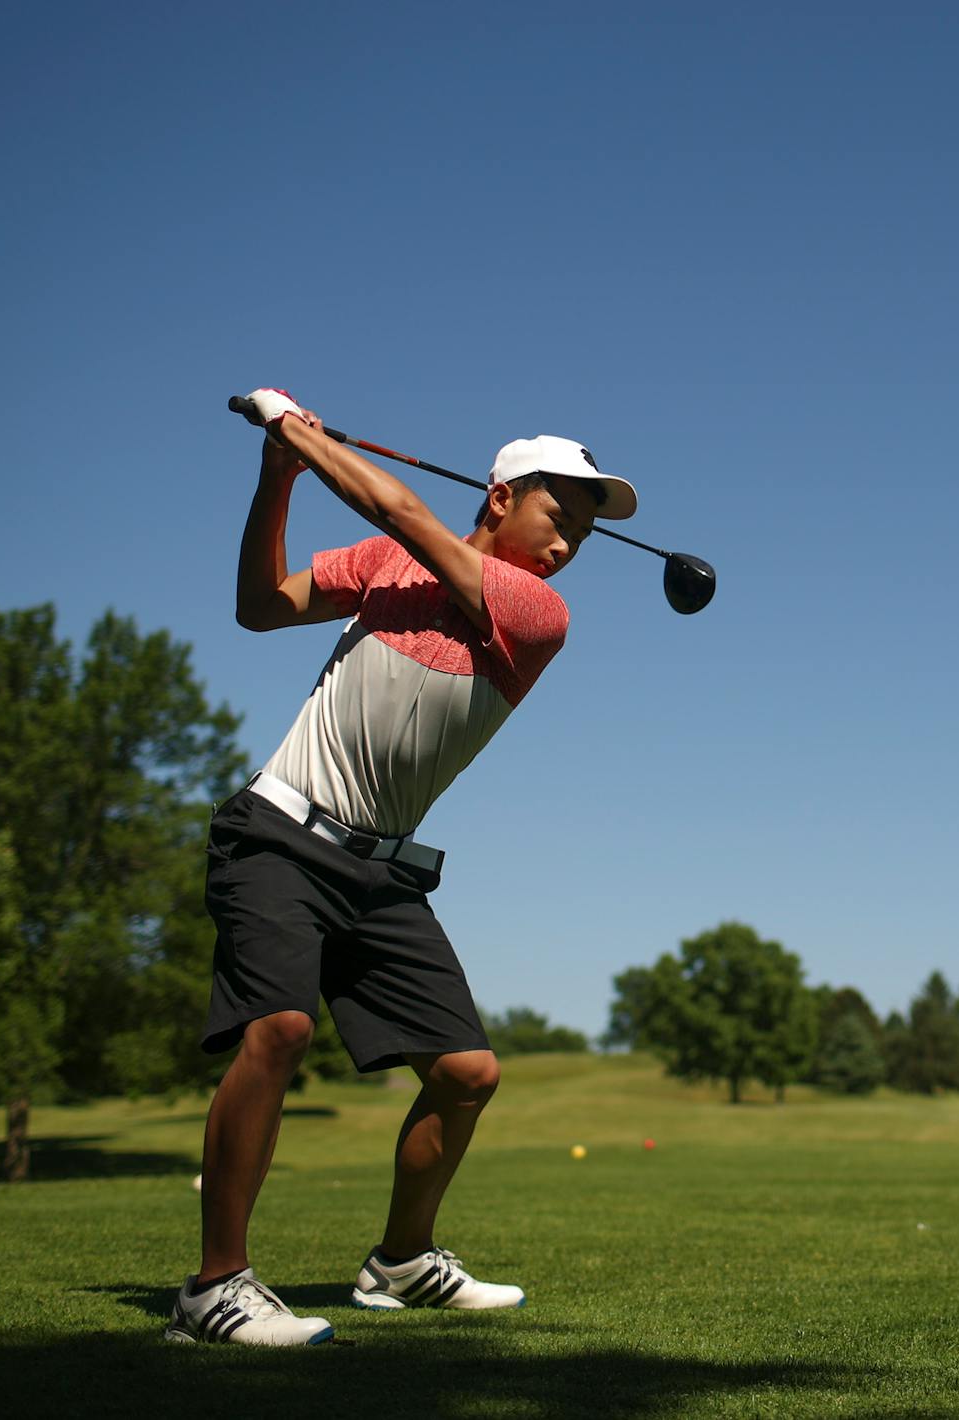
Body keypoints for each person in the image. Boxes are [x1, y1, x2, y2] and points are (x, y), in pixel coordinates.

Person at [165, 388, 638, 1346]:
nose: (566, 547)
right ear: (503, 495)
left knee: (466, 1072)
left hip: (379, 873)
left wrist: (294, 432)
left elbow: (403, 512)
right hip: (280, 834)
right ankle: (215, 1287)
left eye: (584, 535)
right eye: (559, 516)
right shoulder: (389, 567)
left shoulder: (534, 612)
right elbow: (261, 607)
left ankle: (402, 1261)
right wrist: (278, 480)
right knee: (282, 1028)